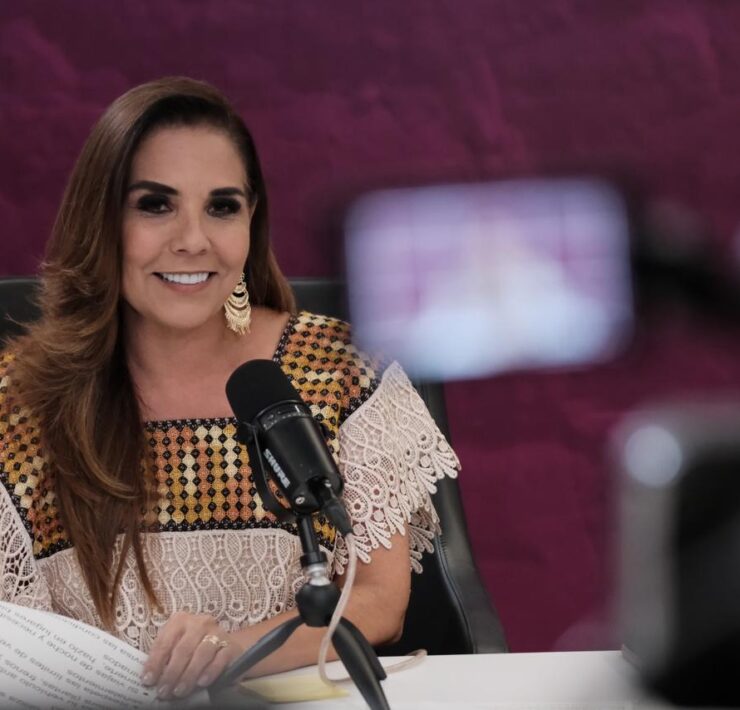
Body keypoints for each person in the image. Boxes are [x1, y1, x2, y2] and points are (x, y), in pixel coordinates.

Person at [0, 77, 460, 700]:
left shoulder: (343, 367)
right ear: (100, 220)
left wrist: (233, 652)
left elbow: (378, 601)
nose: (193, 239)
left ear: (252, 219)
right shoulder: (17, 402)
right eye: (155, 205)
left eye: (222, 207)